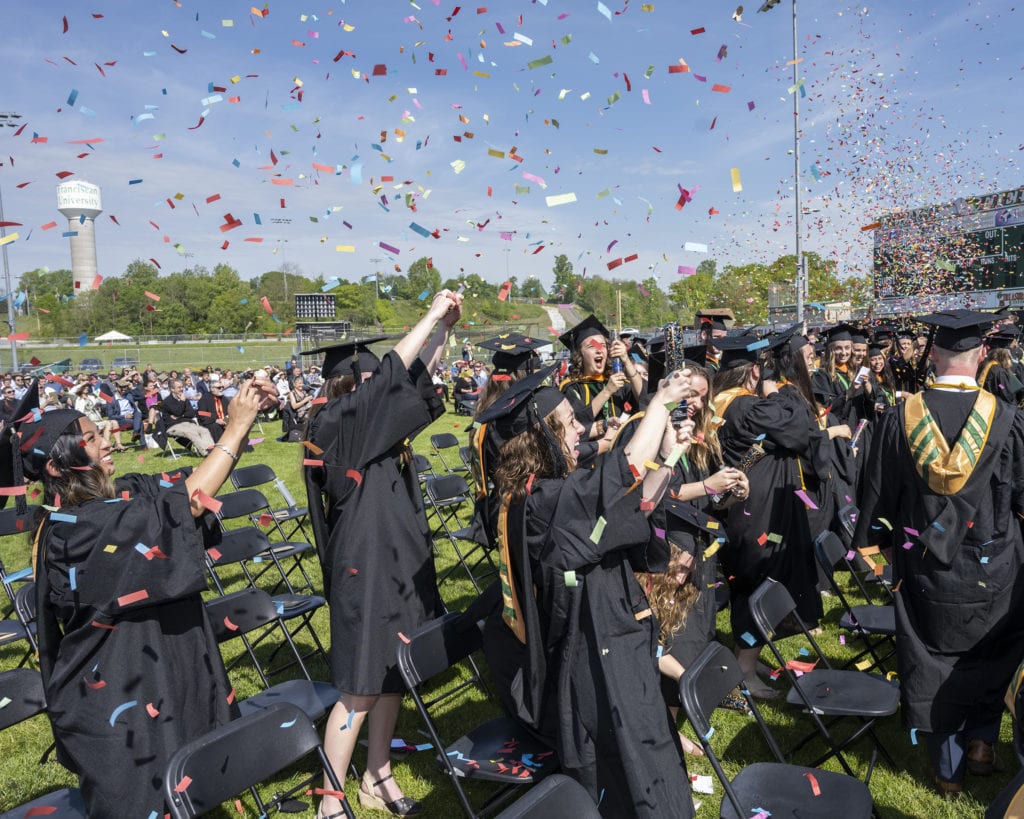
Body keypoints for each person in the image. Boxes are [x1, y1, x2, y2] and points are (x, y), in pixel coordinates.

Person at [0, 377, 275, 817]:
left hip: (159, 674)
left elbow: (196, 488)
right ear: (57, 465)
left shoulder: (121, 494)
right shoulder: (73, 531)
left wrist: (243, 422)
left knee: (187, 784)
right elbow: (185, 506)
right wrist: (235, 427)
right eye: (90, 438)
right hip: (115, 699)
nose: (108, 436)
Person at [479, 363, 714, 817]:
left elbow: (636, 503)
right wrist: (658, 406)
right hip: (588, 645)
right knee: (618, 748)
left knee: (641, 729)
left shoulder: (553, 488)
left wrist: (669, 455)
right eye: (568, 423)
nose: (580, 430)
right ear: (540, 436)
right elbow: (617, 479)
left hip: (612, 627)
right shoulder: (538, 502)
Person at [303, 289, 462, 819]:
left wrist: (443, 333)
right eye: (373, 385)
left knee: (395, 672)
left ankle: (377, 775)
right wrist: (431, 315)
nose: (385, 394)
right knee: (360, 683)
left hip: (396, 559)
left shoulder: (372, 423)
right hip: (364, 567)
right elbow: (397, 372)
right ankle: (330, 797)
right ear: (350, 388)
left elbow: (409, 379)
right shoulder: (333, 427)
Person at [854, 309, 1024, 799]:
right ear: (978, 358)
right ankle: (983, 743)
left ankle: (948, 770)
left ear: (934, 357)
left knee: (933, 659)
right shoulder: (1007, 419)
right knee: (990, 650)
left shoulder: (899, 420)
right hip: (995, 563)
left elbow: (877, 496)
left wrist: (874, 546)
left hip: (927, 565)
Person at [713, 334, 849, 695]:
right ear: (752, 373)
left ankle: (747, 652)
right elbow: (797, 429)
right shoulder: (743, 406)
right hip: (758, 512)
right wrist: (772, 389)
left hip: (752, 506)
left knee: (751, 582)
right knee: (762, 579)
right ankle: (744, 671)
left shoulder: (727, 405)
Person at [558, 314, 643, 440]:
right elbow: (578, 422)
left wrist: (626, 360)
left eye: (603, 345)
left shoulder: (615, 380)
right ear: (580, 354)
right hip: (591, 453)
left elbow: (644, 399)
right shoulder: (571, 386)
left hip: (620, 452)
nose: (599, 350)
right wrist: (607, 391)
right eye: (592, 346)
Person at [159, 379, 216, 455]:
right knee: (192, 433)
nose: (182, 389)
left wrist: (181, 416)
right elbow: (178, 412)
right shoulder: (167, 402)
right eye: (179, 387)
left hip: (187, 423)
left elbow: (191, 413)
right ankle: (206, 452)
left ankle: (212, 450)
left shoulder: (184, 398)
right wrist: (182, 402)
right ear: (172, 389)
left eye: (182, 387)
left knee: (204, 431)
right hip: (173, 426)